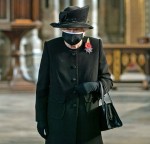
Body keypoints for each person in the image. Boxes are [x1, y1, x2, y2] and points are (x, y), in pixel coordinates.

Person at [35, 5, 113, 144]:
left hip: (89, 121)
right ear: (61, 30)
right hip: (58, 121)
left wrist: (95, 86)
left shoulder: (96, 46)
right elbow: (42, 88)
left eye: (76, 29)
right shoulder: (51, 48)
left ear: (83, 30)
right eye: (67, 29)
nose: (71, 32)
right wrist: (41, 120)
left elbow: (107, 80)